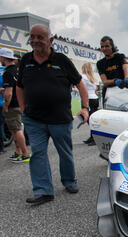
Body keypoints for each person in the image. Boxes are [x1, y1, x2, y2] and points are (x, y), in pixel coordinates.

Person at [16, 24, 90, 206]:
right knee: (38, 153)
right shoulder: (25, 60)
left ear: (50, 40)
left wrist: (85, 107)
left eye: (40, 37)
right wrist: (23, 108)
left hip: (60, 119)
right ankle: (43, 190)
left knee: (65, 152)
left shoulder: (62, 60)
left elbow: (80, 84)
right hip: (34, 119)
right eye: (32, 37)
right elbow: (19, 86)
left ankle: (69, 181)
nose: (35, 41)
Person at [0, 48, 30, 162]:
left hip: (12, 104)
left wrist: (6, 105)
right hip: (19, 102)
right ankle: (18, 152)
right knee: (14, 129)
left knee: (16, 130)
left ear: (3, 58)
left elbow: (9, 92)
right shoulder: (17, 70)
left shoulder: (8, 72)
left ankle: (25, 154)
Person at [96, 36, 128, 103]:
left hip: (122, 91)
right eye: (102, 47)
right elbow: (104, 82)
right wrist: (115, 81)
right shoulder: (100, 63)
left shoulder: (120, 57)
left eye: (107, 46)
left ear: (112, 46)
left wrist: (127, 78)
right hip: (109, 94)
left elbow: (126, 68)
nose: (104, 49)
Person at [80, 62, 99, 146]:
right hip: (94, 98)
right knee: (93, 118)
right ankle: (92, 136)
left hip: (87, 99)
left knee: (89, 119)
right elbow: (95, 88)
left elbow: (81, 87)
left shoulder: (83, 77)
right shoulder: (93, 78)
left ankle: (94, 137)